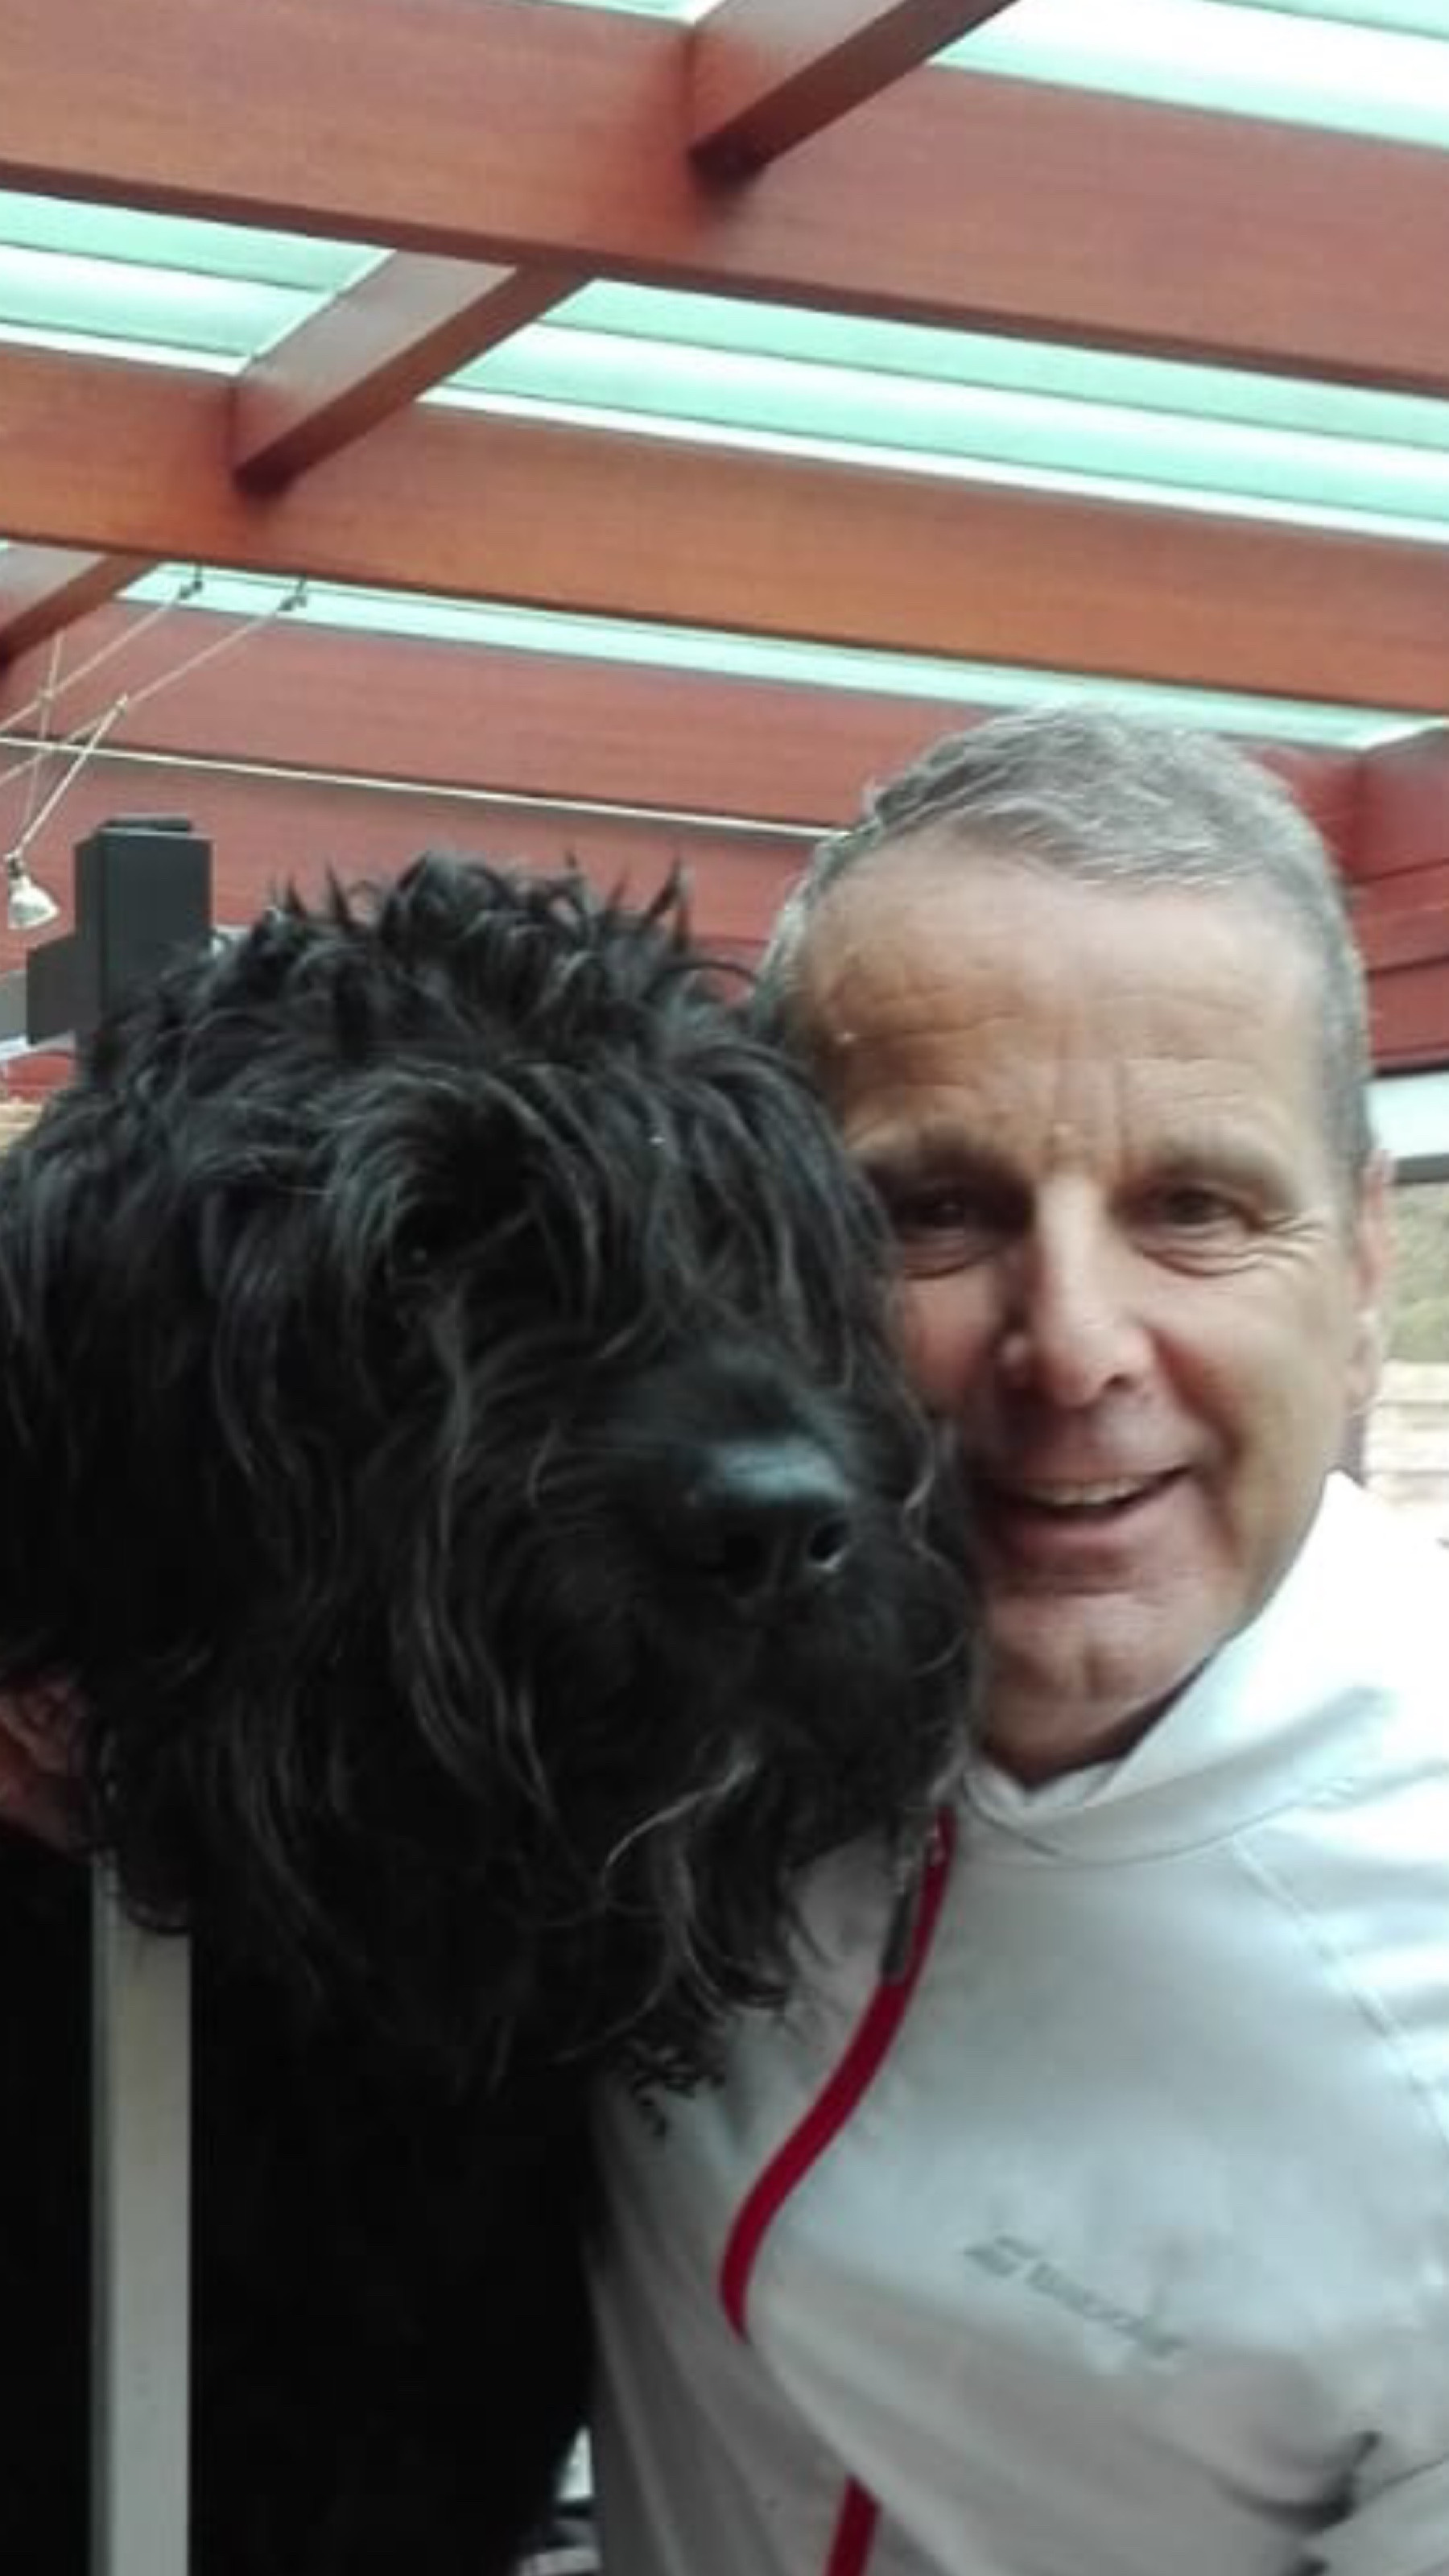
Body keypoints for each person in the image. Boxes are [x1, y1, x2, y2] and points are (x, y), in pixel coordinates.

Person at [588, 706, 1449, 2576]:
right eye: (935, 1210)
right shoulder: (649, 1681)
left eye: (1195, 1208)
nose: (1072, 1347)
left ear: (1367, 1262)